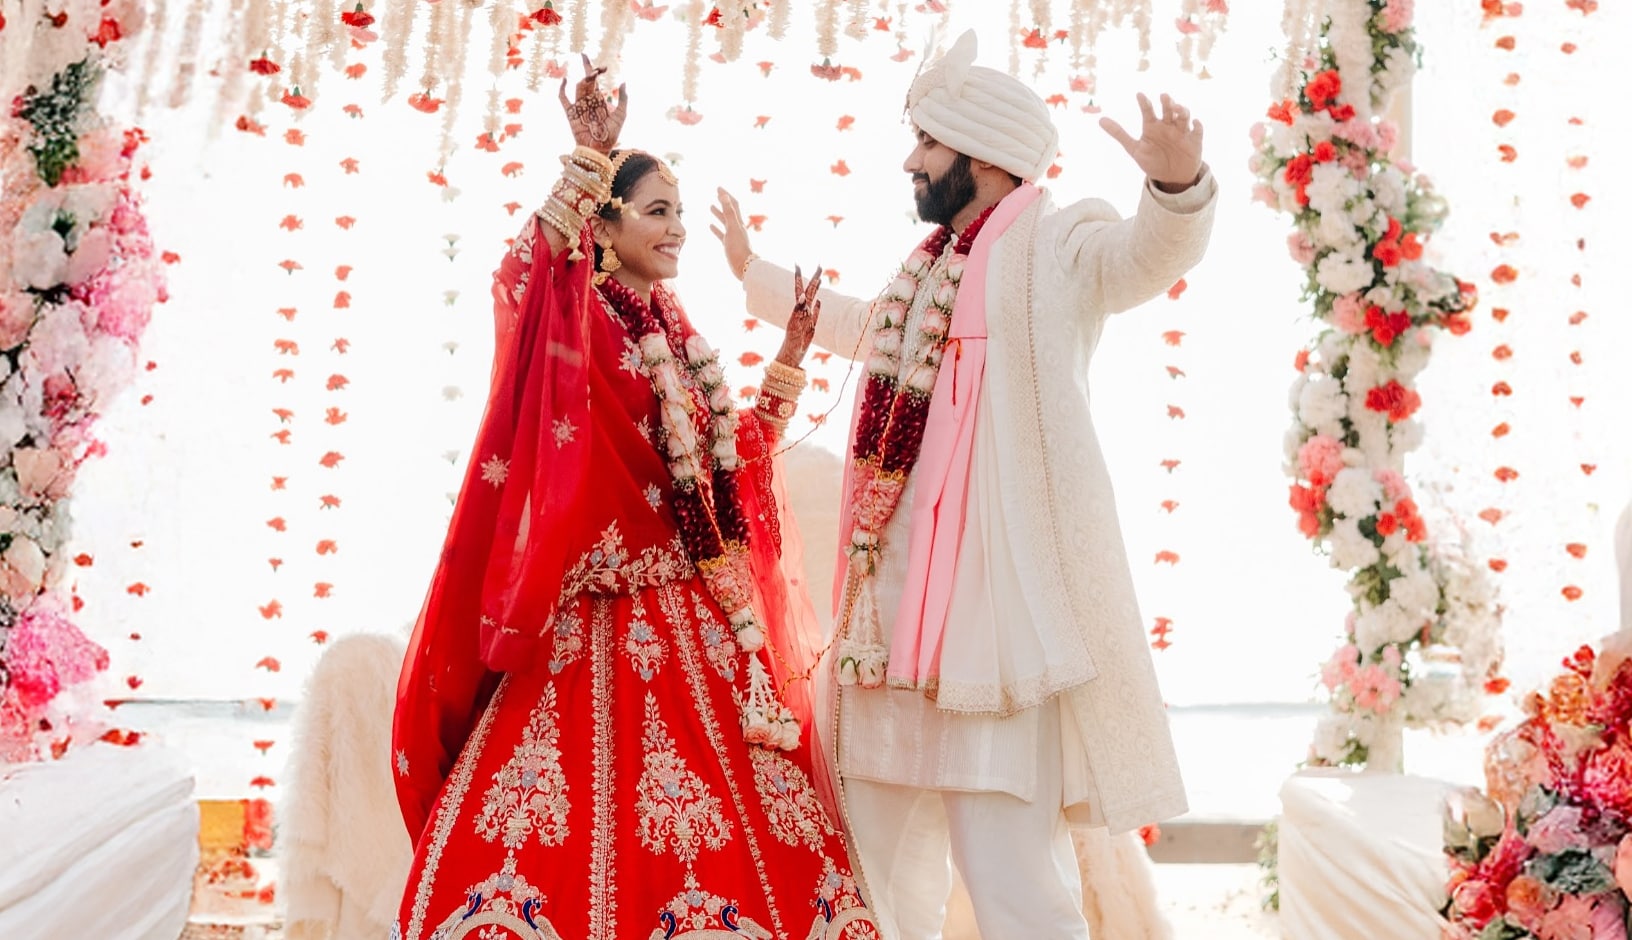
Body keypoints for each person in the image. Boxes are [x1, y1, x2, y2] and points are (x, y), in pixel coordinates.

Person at [711, 30, 1217, 940]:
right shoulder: (926, 272)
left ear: (981, 155)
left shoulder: (1059, 244)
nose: (911, 161)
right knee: (858, 872)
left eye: (928, 144)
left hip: (993, 628)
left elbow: (1143, 257)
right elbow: (869, 326)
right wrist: (757, 276)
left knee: (1017, 887)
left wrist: (1177, 190)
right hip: (886, 617)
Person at [392, 58, 879, 940]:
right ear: (606, 225)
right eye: (659, 212)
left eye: (681, 214)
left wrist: (790, 362)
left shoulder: (676, 333)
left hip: (695, 619)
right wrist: (585, 160)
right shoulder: (583, 315)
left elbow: (727, 478)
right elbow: (525, 275)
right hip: (592, 617)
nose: (680, 231)